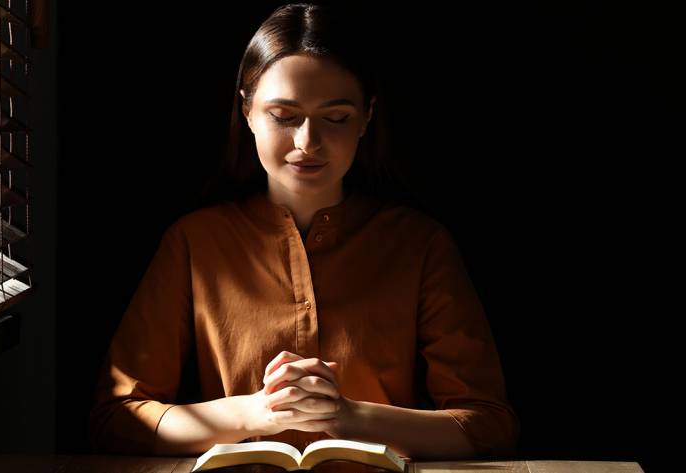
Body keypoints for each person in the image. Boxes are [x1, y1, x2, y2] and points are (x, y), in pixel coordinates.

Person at [88, 2, 520, 462]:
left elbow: (488, 425)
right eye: (283, 115)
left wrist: (347, 417)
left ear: (366, 117)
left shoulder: (420, 244)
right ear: (247, 111)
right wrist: (258, 413)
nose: (307, 143)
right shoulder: (194, 242)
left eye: (335, 118)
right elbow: (118, 420)